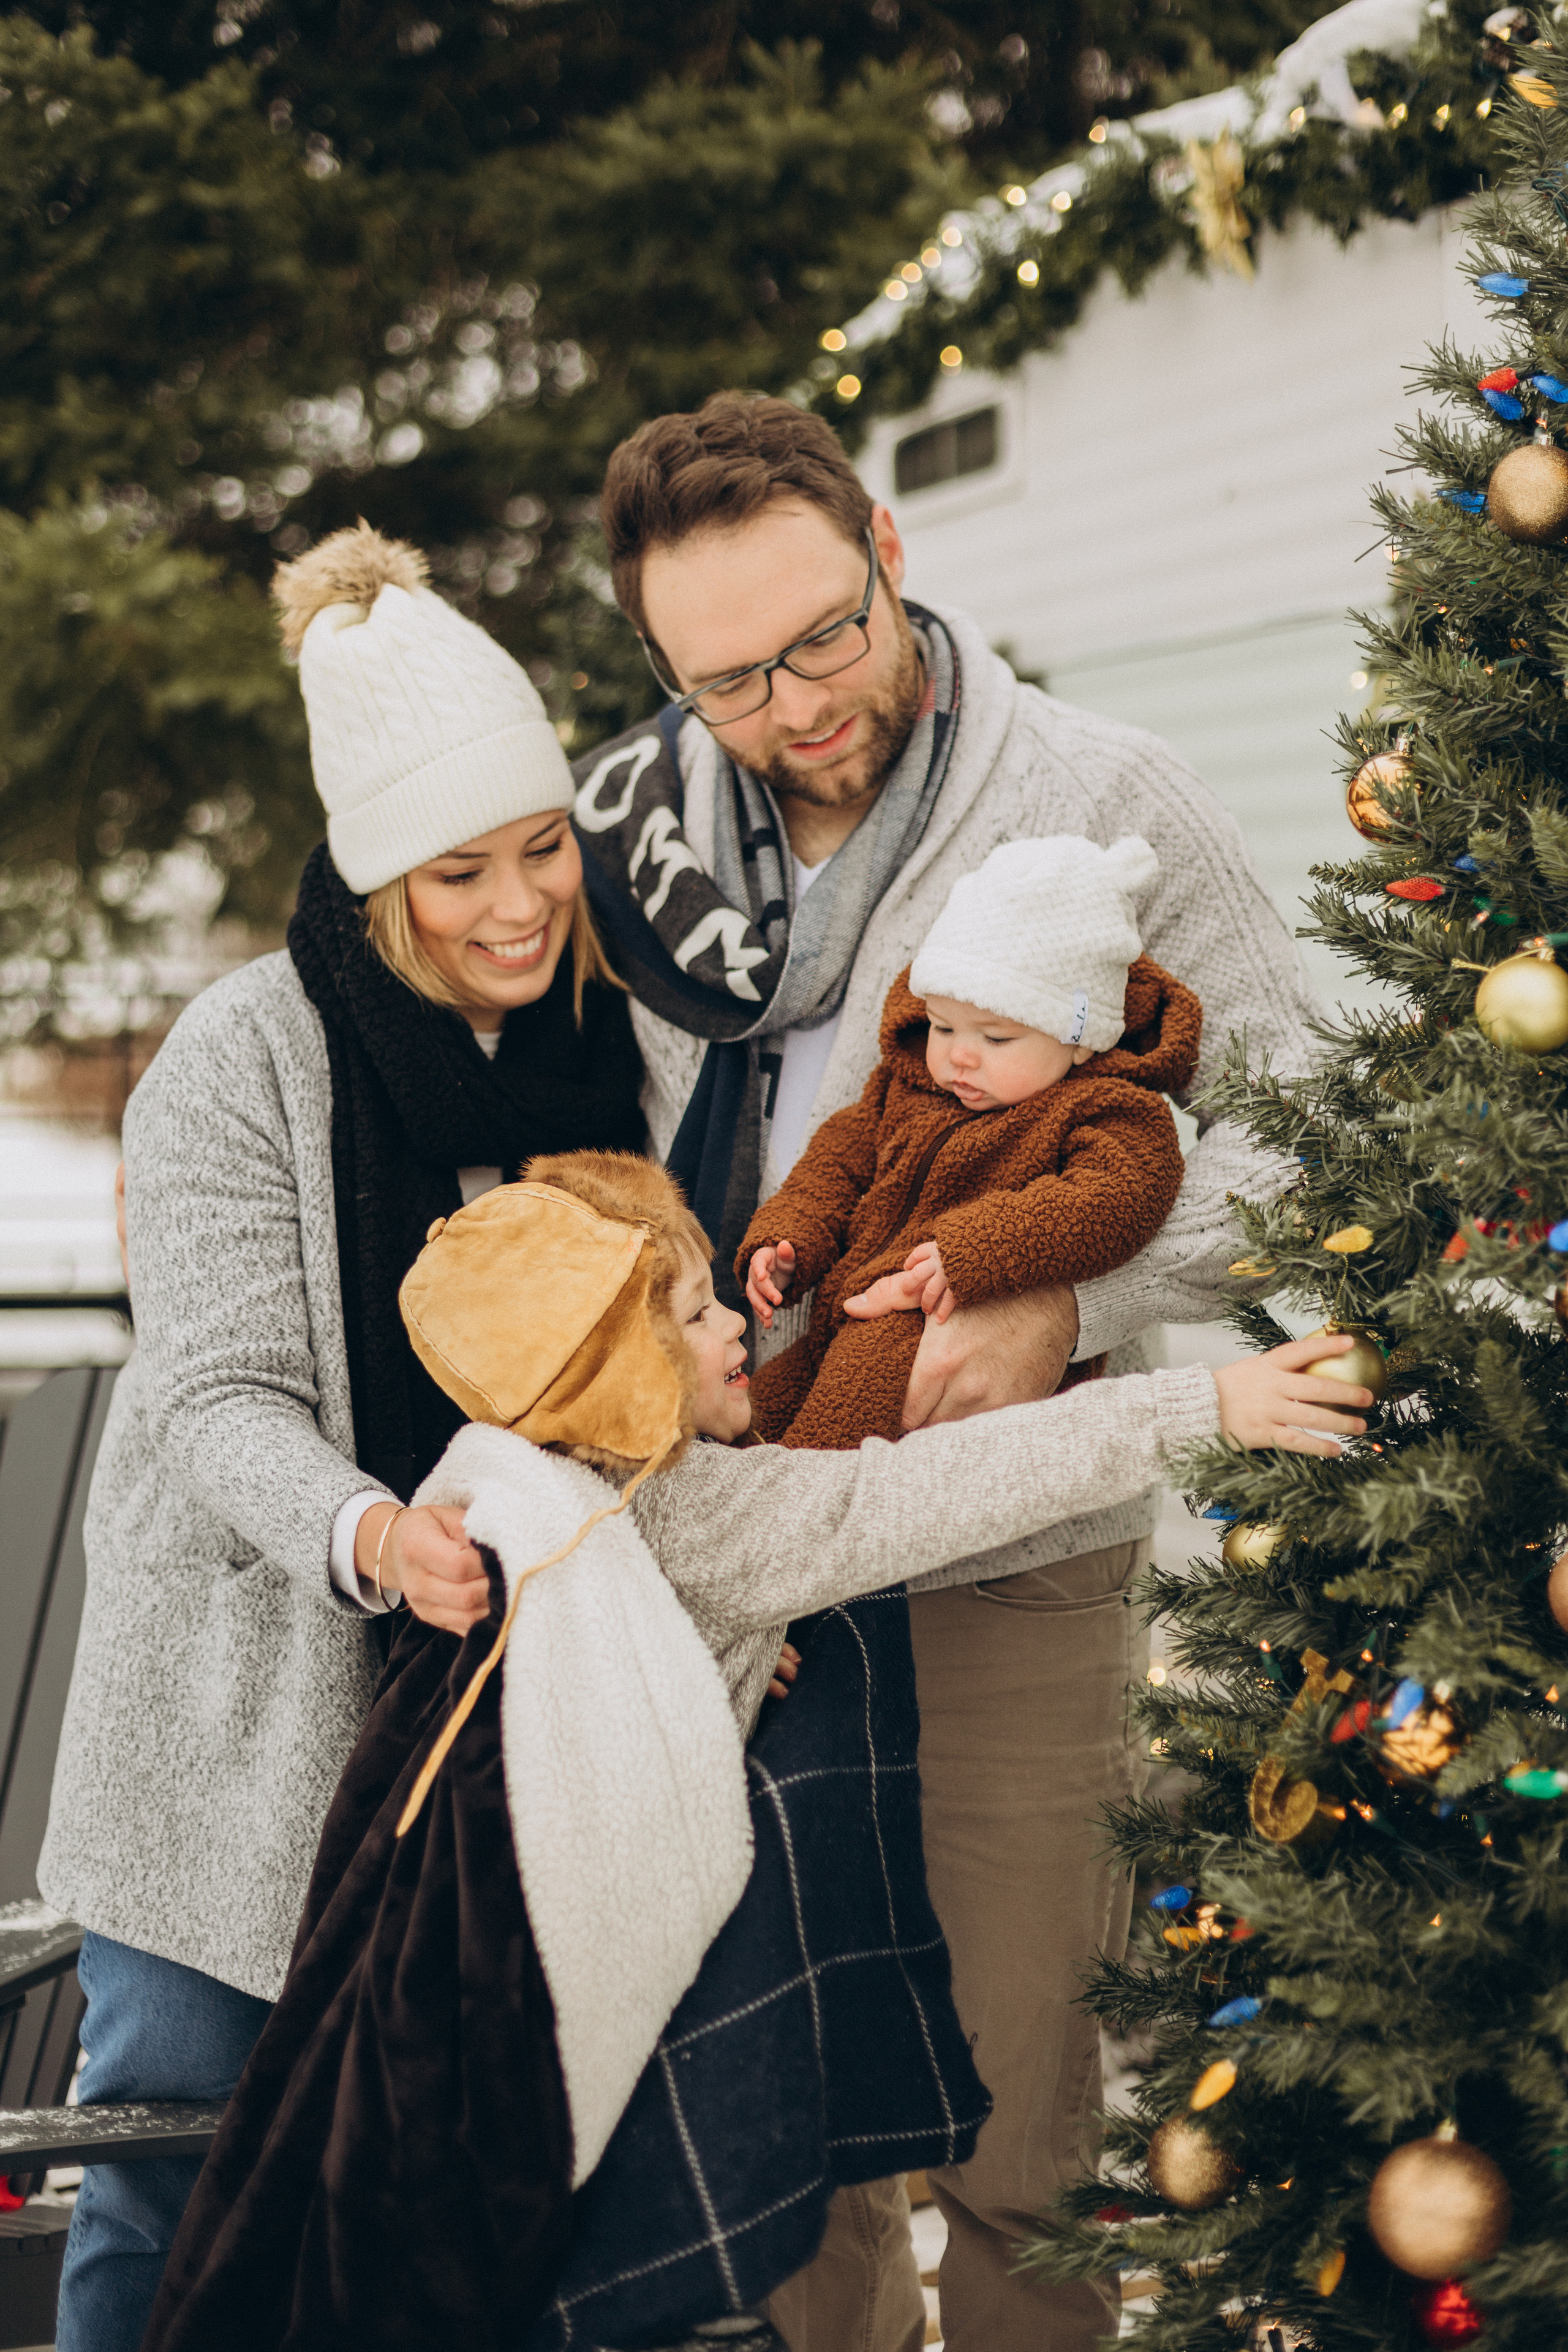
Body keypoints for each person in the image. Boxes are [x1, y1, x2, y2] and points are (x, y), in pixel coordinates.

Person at [141, 1148, 1371, 2352]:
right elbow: (930, 1488)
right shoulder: (694, 1517)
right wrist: (1199, 1402)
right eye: (689, 1312)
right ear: (614, 1366)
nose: (734, 1326)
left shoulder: (502, 1479)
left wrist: (695, 1652)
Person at [571, 390, 1324, 2352]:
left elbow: (1306, 1132)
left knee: (1016, 2118)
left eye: (827, 633)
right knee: (782, 2116)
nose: (801, 704)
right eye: (729, 677)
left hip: (1012, 1548)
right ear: (659, 673)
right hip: (742, 1568)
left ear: (890, 551)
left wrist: (1071, 1294)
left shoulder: (1100, 796)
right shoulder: (625, 855)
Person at [36, 524, 644, 2352]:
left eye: (543, 846)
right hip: (245, 1708)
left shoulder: (617, 1037)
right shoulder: (243, 1055)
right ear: (382, 876)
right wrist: (377, 1533)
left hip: (509, 1723)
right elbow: (209, 1394)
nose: (519, 904)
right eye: (460, 869)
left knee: (481, 2179)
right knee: (178, 2157)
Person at [741, 834, 1202, 1446]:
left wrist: (975, 1250)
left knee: (822, 1456)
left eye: (996, 1037)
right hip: (842, 1315)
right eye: (942, 1025)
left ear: (1080, 1037)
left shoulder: (1108, 1111)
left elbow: (1116, 1200)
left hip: (943, 1324)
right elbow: (836, 1163)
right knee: (752, 1415)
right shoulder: (903, 1090)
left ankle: (796, 1535)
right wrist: (790, 1236)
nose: (959, 1054)